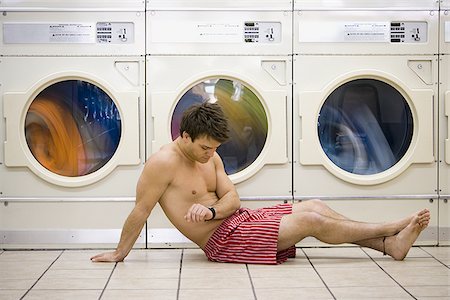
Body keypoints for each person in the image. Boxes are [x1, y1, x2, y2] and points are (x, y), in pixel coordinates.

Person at [91, 102, 430, 265]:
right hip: (222, 242)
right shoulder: (162, 163)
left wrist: (210, 210)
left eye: (216, 148)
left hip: (237, 220)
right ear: (185, 136)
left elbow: (233, 199)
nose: (211, 155)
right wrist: (120, 253)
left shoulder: (211, 157)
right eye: (205, 147)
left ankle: (389, 246)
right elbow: (141, 210)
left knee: (312, 206)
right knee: (310, 222)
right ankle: (391, 227)